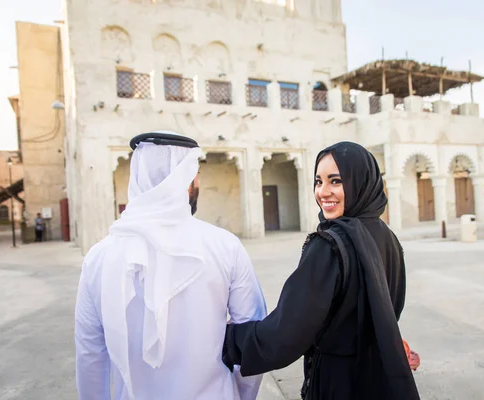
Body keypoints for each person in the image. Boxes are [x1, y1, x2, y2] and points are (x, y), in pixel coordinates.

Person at [75, 131, 267, 400]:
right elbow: (252, 339)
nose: (198, 181)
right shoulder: (226, 247)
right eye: (196, 173)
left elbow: (89, 357)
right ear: (187, 180)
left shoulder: (98, 258)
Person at [222, 141, 420, 400]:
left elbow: (286, 334)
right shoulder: (387, 238)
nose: (323, 192)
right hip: (376, 375)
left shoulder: (328, 246)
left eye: (335, 181)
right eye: (318, 181)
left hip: (339, 382)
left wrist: (229, 339)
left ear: (359, 182)